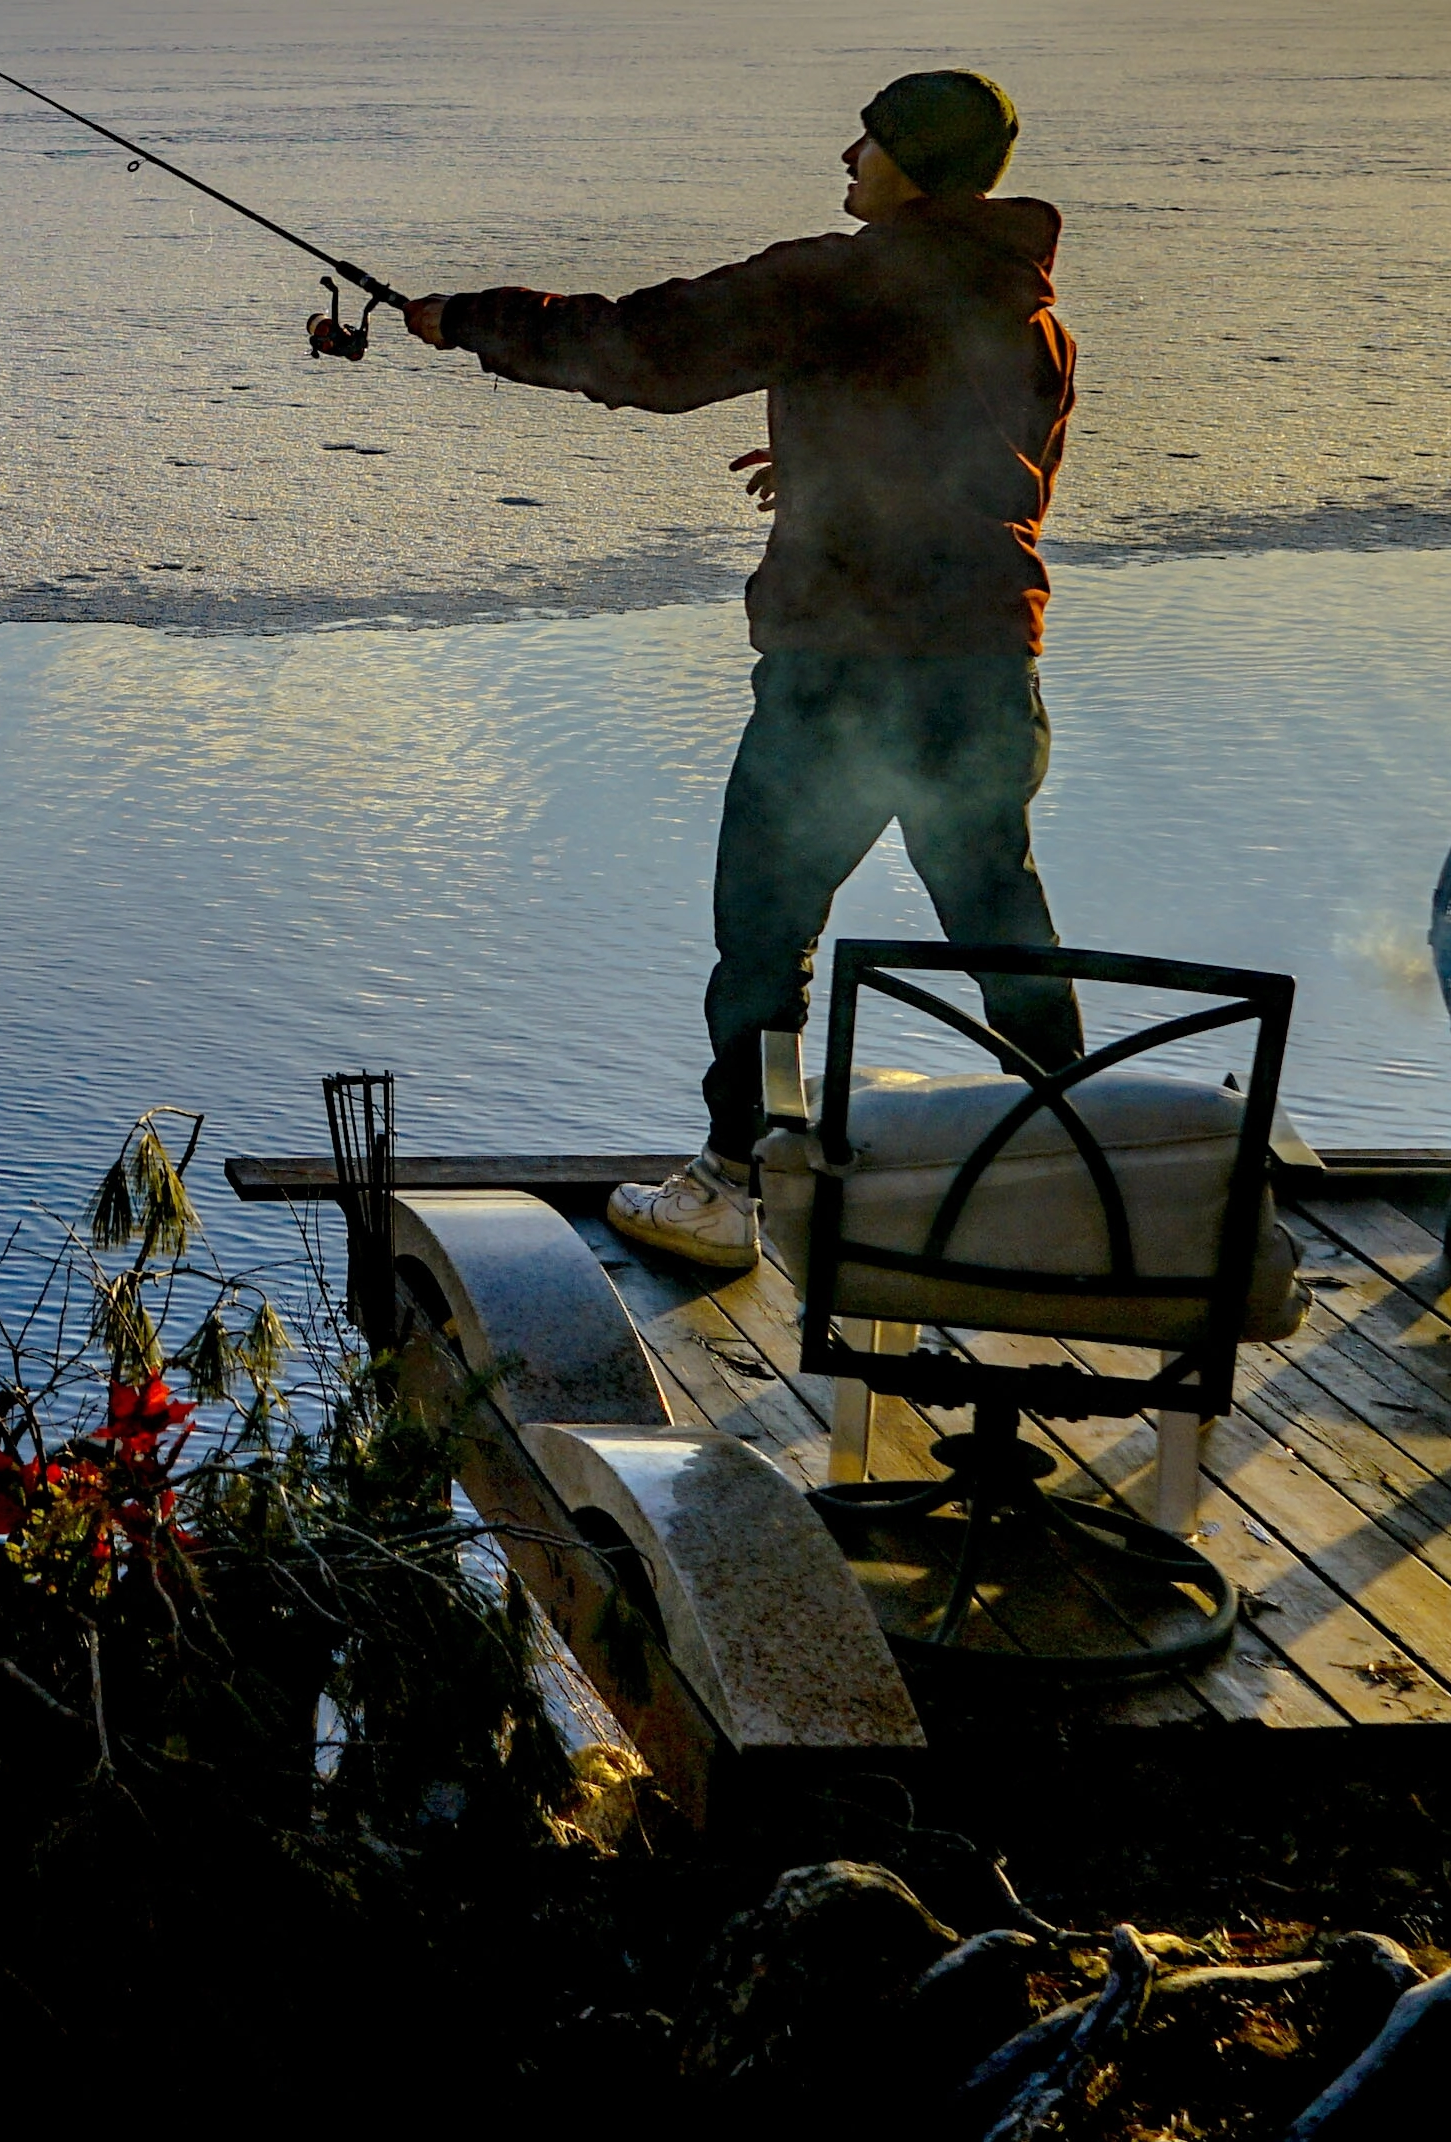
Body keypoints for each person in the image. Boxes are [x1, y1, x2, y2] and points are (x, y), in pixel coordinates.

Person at [404, 68, 1084, 1269]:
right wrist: (820, 459)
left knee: (766, 935)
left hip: (842, 679)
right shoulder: (1030, 310)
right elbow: (995, 466)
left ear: (912, 163)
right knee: (997, 917)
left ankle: (734, 1178)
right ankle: (1077, 1159)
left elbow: (640, 349)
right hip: (982, 667)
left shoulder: (838, 281)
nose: (845, 155)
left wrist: (464, 317)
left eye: (867, 138)